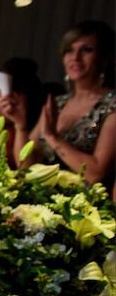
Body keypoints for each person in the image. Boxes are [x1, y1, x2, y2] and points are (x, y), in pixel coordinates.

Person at [13, 21, 116, 188]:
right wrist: (20, 126)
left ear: (106, 58)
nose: (75, 58)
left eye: (86, 50)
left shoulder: (112, 106)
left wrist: (53, 138)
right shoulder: (58, 103)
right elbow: (25, 165)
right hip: (43, 198)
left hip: (88, 201)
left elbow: (96, 173)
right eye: (69, 50)